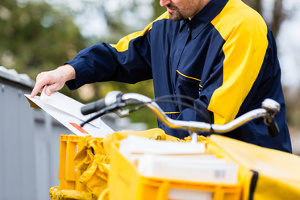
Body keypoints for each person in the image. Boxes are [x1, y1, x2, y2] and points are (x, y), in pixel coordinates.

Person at [31, 0, 292, 153]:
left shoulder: (243, 27)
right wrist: (67, 71)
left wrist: (139, 143)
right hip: (188, 165)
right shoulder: (169, 22)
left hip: (249, 174)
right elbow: (121, 56)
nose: (162, 2)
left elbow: (208, 118)